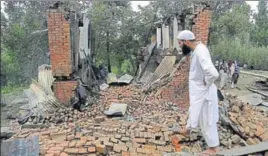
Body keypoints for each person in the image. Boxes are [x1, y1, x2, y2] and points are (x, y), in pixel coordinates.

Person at [176, 30, 220, 155]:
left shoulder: (200, 52)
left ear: (187, 41)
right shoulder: (197, 50)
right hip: (199, 93)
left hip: (205, 94)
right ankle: (188, 129)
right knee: (197, 114)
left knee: (207, 120)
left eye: (180, 43)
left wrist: (207, 81)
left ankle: (214, 148)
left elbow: (213, 73)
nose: (179, 46)